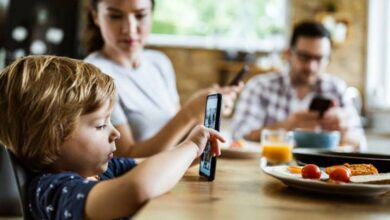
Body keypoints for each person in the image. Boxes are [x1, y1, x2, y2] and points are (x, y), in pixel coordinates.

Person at [0, 55, 224, 219]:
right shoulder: (53, 190)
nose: (114, 132)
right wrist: (191, 146)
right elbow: (140, 187)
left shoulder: (102, 171)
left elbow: (151, 165)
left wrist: (185, 157)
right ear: (52, 140)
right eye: (100, 125)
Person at [83, 0, 241, 157]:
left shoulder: (159, 62)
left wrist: (205, 111)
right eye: (115, 16)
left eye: (140, 15)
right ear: (96, 16)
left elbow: (179, 138)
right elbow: (125, 158)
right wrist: (190, 112)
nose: (129, 29)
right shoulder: (93, 76)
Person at [232, 21, 365, 148]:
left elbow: (361, 143)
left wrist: (344, 131)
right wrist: (286, 126)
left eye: (319, 59)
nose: (311, 67)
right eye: (304, 57)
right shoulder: (260, 86)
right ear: (289, 54)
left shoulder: (337, 88)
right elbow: (238, 136)